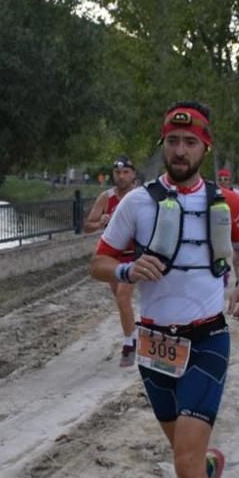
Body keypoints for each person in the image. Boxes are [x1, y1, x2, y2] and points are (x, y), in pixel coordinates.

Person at [90, 101, 239, 478]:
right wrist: (125, 271)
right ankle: (209, 469)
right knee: (186, 456)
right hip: (155, 346)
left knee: (184, 463)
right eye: (172, 141)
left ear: (205, 146)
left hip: (208, 338)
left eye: (189, 142)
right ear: (163, 145)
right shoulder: (137, 203)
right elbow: (98, 261)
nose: (180, 150)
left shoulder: (226, 200)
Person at [83, 155, 140, 366]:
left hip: (135, 254)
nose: (122, 176)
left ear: (133, 174)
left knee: (124, 298)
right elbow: (87, 226)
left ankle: (128, 346)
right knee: (120, 299)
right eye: (118, 172)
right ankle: (133, 333)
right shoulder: (106, 197)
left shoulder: (139, 196)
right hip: (112, 256)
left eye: (126, 172)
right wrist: (100, 222)